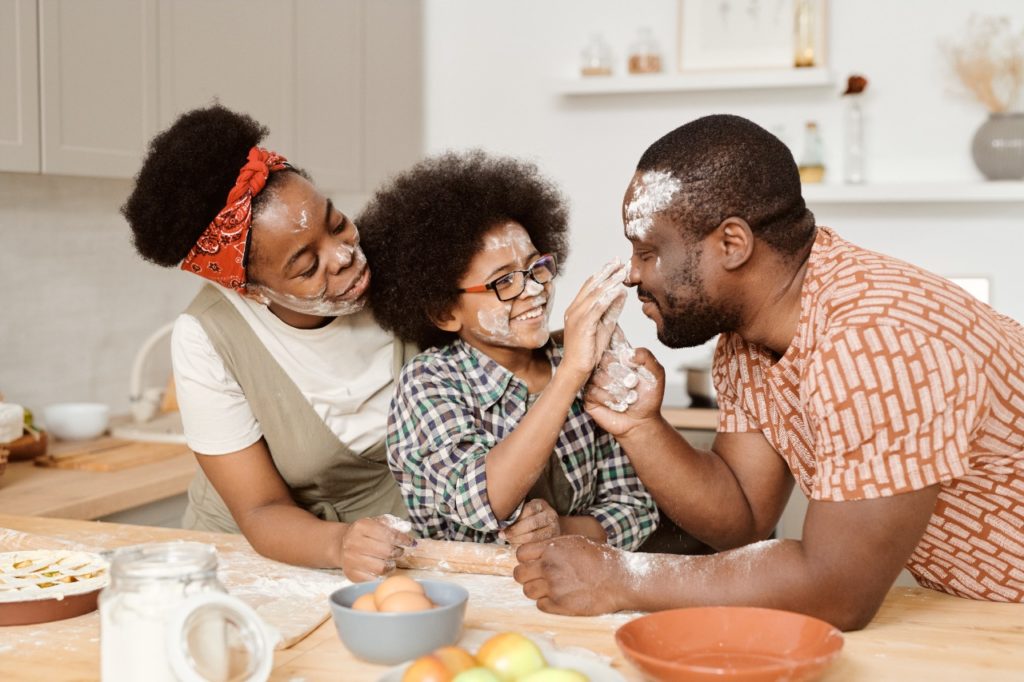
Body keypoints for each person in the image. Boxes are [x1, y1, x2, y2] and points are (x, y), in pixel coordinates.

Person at [513, 114, 1024, 629]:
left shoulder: (876, 339)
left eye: (649, 251)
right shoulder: (747, 342)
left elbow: (837, 591)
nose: (632, 273)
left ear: (732, 244)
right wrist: (641, 428)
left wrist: (621, 577)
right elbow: (743, 520)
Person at [122, 104, 414, 581]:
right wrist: (341, 543)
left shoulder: (405, 264)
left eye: (336, 222)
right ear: (252, 291)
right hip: (261, 563)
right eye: (305, 266)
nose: (344, 256)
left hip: (396, 550)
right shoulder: (208, 337)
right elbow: (260, 508)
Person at [357, 151, 658, 549]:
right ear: (445, 312)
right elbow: (484, 500)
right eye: (504, 283)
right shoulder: (428, 383)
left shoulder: (586, 361)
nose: (533, 290)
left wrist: (562, 530)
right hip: (469, 590)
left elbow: (636, 506)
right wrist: (570, 374)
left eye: (536, 268)